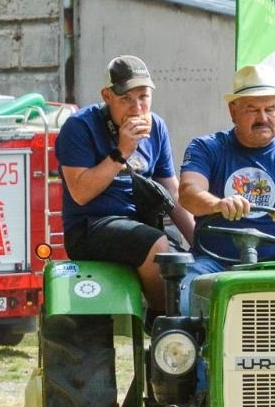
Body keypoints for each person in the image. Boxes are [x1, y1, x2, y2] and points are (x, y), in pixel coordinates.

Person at [178, 62, 275, 294]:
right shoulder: (206, 147)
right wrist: (218, 204)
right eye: (252, 109)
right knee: (185, 291)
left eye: (270, 109)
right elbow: (188, 193)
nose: (263, 118)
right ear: (233, 111)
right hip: (214, 261)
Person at [56, 55, 194, 312]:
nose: (137, 108)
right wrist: (122, 151)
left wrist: (198, 239)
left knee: (186, 259)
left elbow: (171, 191)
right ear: (107, 96)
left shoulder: (157, 127)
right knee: (157, 247)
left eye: (143, 97)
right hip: (90, 226)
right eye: (126, 99)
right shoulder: (79, 127)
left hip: (143, 221)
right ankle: (164, 321)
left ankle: (186, 319)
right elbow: (81, 193)